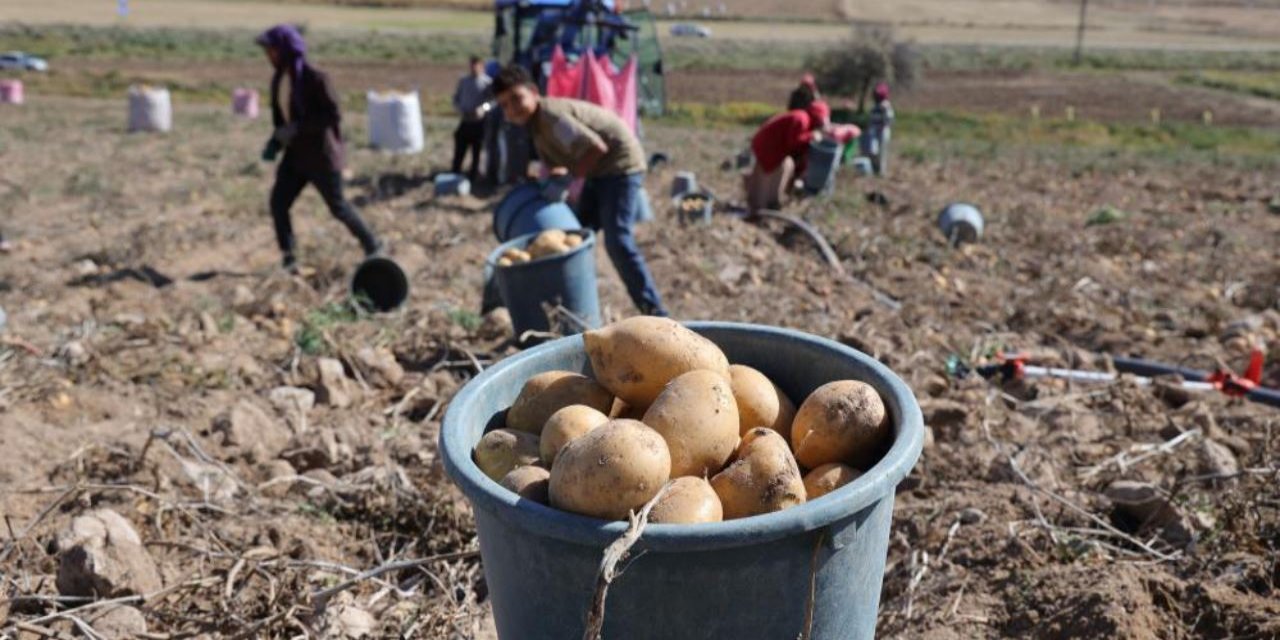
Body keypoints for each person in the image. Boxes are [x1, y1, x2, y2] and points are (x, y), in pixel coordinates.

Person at [490, 65, 668, 317]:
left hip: (620, 166)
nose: (512, 109)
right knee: (575, 233)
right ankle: (568, 304)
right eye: (505, 105)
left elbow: (596, 148)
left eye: (516, 98)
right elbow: (563, 158)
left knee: (618, 242)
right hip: (598, 171)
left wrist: (573, 179)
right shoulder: (535, 126)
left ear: (533, 91)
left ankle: (656, 312)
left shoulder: (550, 115)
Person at [256, 24, 381, 272]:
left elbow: (332, 115)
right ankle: (290, 259)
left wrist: (298, 128)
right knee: (279, 204)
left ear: (284, 50)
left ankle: (374, 246)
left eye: (271, 49)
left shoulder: (315, 78)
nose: (268, 55)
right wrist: (277, 139)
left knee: (338, 207)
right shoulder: (279, 79)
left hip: (321, 157)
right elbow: (282, 117)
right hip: (295, 157)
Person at [744, 100, 830, 214]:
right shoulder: (801, 119)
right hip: (769, 147)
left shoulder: (802, 117)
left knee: (785, 165)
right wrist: (812, 136)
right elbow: (794, 142)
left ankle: (763, 203)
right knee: (770, 173)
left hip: (766, 144)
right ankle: (761, 207)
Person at [452, 56, 493, 181]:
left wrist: (483, 109)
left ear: (482, 66)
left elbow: (492, 102)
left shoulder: (487, 83)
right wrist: (460, 109)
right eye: (471, 65)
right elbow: (456, 99)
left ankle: (473, 175)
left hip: (479, 122)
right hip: (465, 120)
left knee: (477, 151)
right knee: (460, 148)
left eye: (476, 66)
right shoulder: (464, 81)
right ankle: (455, 172)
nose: (473, 68)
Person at [862, 82, 895, 176]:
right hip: (874, 131)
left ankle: (881, 172)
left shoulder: (886, 106)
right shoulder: (875, 106)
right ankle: (874, 168)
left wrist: (881, 126)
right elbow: (871, 119)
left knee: (882, 152)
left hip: (882, 131)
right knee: (873, 150)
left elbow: (889, 120)